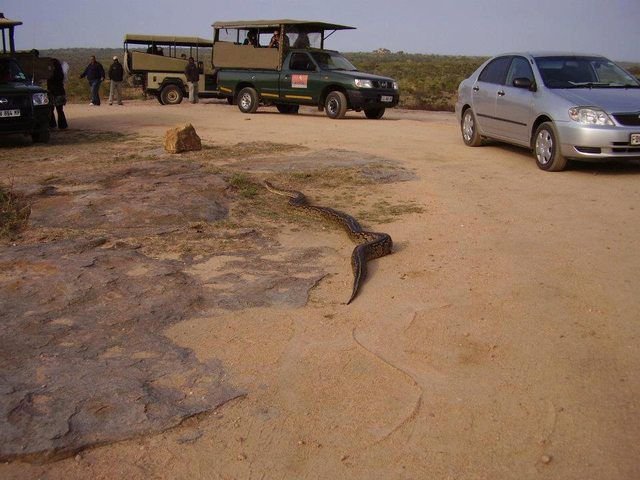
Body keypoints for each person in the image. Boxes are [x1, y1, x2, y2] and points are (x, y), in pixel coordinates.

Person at [47, 58, 68, 129]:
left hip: (54, 92)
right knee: (59, 110)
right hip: (59, 92)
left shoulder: (52, 74)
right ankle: (62, 125)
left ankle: (52, 124)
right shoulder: (60, 73)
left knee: (51, 109)